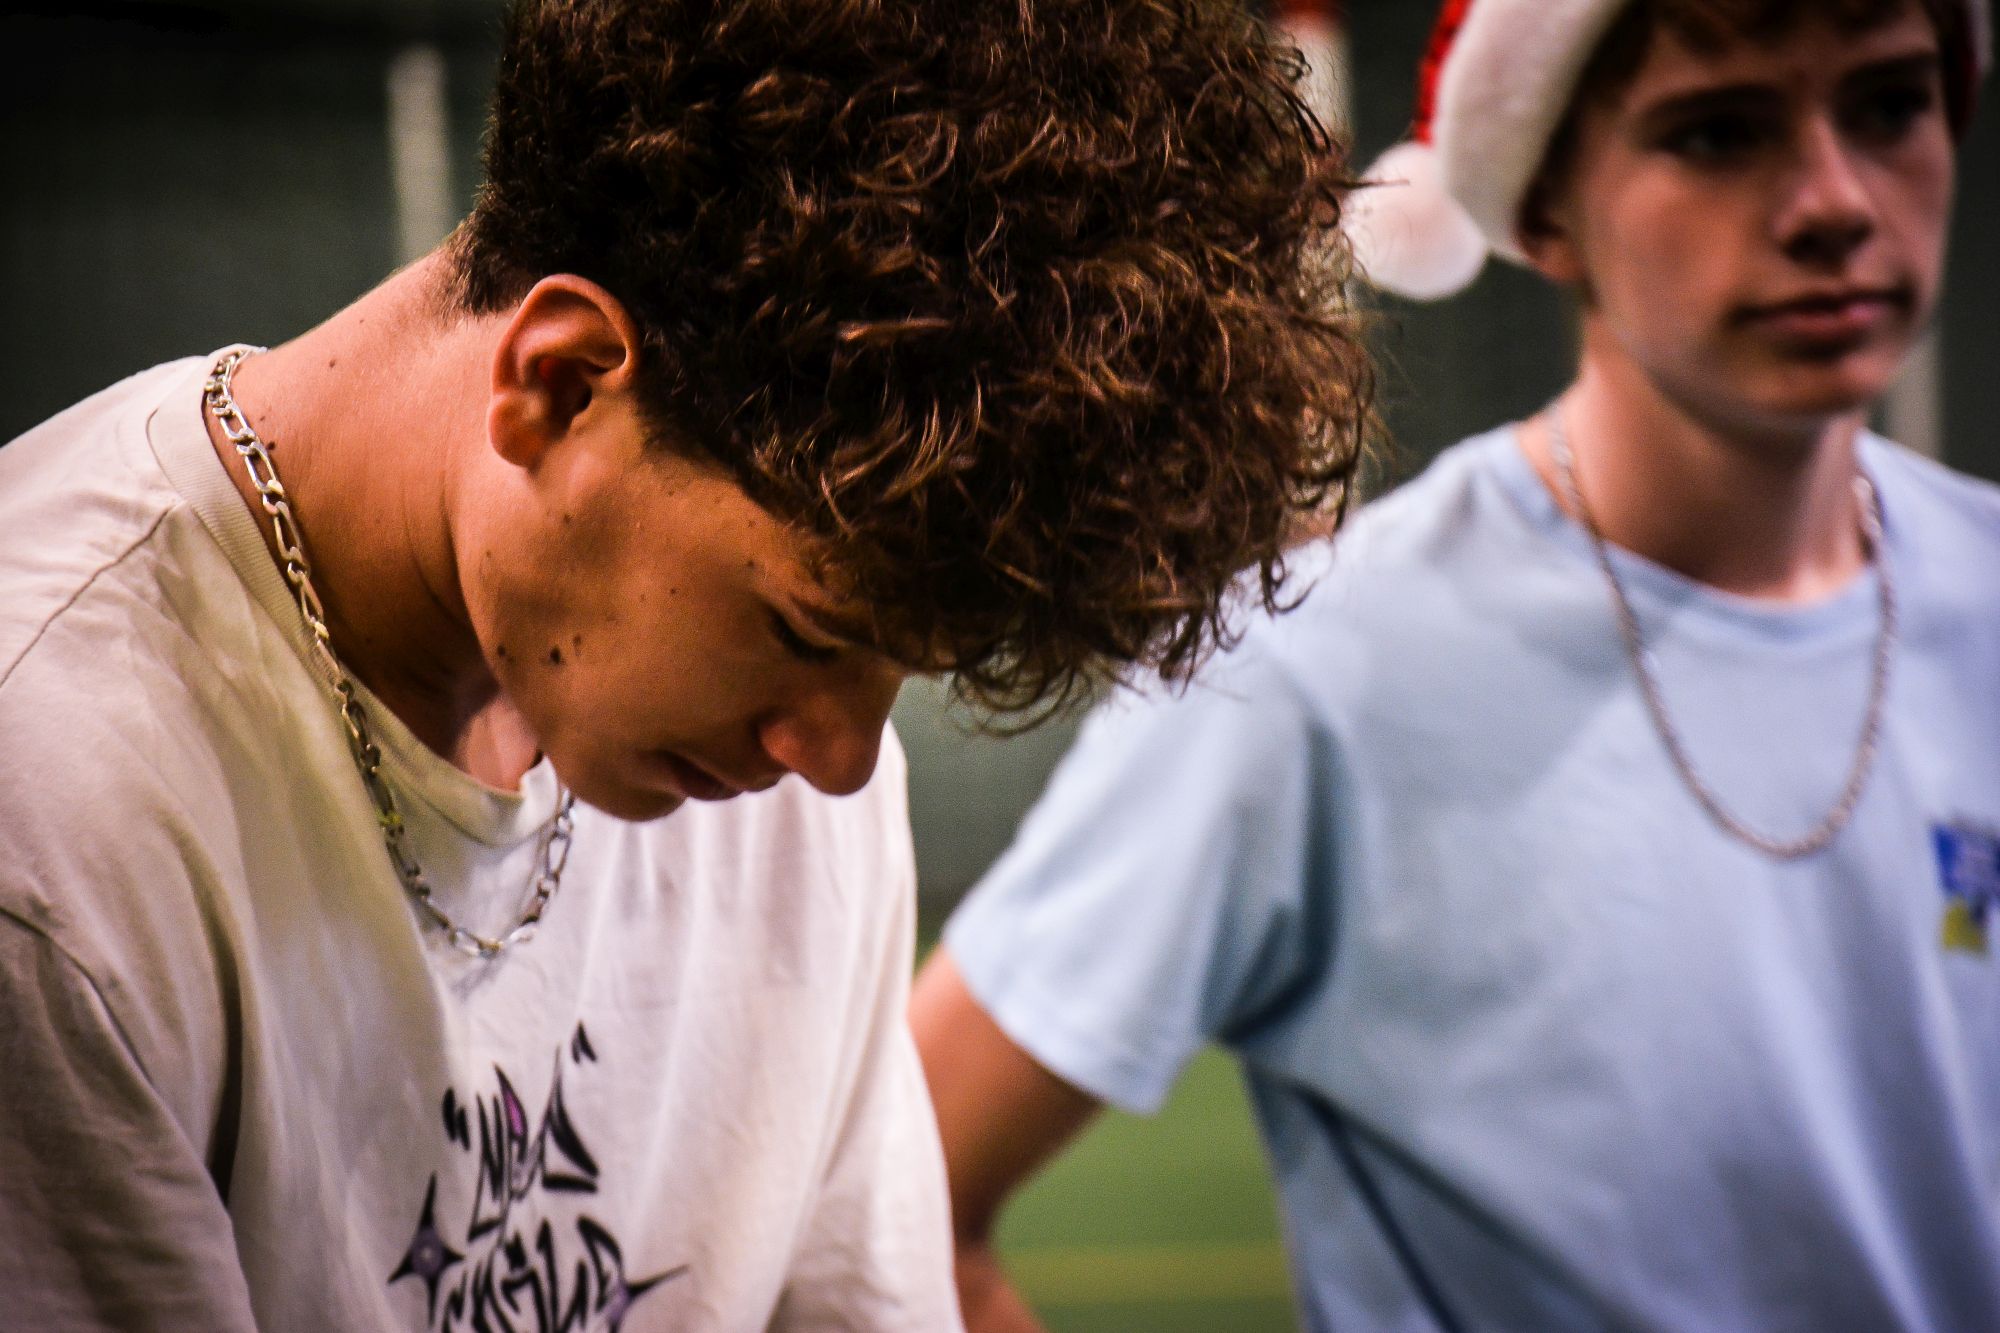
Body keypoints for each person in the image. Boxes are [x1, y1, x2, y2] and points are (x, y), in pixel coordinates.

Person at [0, 0, 1371, 1328]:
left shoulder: (772, 777)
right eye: (808, 631)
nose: (840, 764)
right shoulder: (54, 816)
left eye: (905, 672)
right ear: (559, 382)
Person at [914, 0, 2000, 1329]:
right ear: (1540, 203)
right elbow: (899, 1186)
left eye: (1890, 105)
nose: (1833, 200)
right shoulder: (1314, 665)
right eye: (1717, 132)